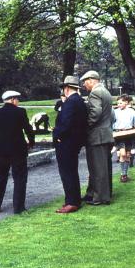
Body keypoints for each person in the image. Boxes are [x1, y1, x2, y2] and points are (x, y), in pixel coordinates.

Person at [0, 90, 35, 214]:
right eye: (17, 99)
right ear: (13, 99)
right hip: (18, 150)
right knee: (19, 178)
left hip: (1, 151)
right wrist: (31, 142)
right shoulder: (20, 112)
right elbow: (28, 129)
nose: (18, 102)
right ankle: (18, 208)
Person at [53, 76, 88, 214]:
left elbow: (66, 124)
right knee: (71, 171)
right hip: (74, 142)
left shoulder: (70, 102)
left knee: (67, 172)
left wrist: (57, 136)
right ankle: (73, 199)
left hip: (67, 143)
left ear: (66, 88)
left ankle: (72, 202)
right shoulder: (79, 101)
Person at [80, 70, 114, 205]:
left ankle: (100, 197)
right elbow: (110, 115)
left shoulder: (95, 93)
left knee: (97, 168)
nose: (84, 85)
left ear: (91, 80)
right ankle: (101, 193)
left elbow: (96, 112)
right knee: (105, 166)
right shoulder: (106, 92)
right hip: (106, 134)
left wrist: (87, 125)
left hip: (97, 136)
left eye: (85, 82)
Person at [112, 95, 135, 183]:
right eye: (118, 103)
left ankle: (124, 175)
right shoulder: (114, 112)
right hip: (119, 135)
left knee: (128, 155)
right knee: (123, 154)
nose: (119, 104)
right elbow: (111, 122)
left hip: (130, 134)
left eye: (121, 102)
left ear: (126, 102)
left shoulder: (132, 111)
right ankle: (122, 172)